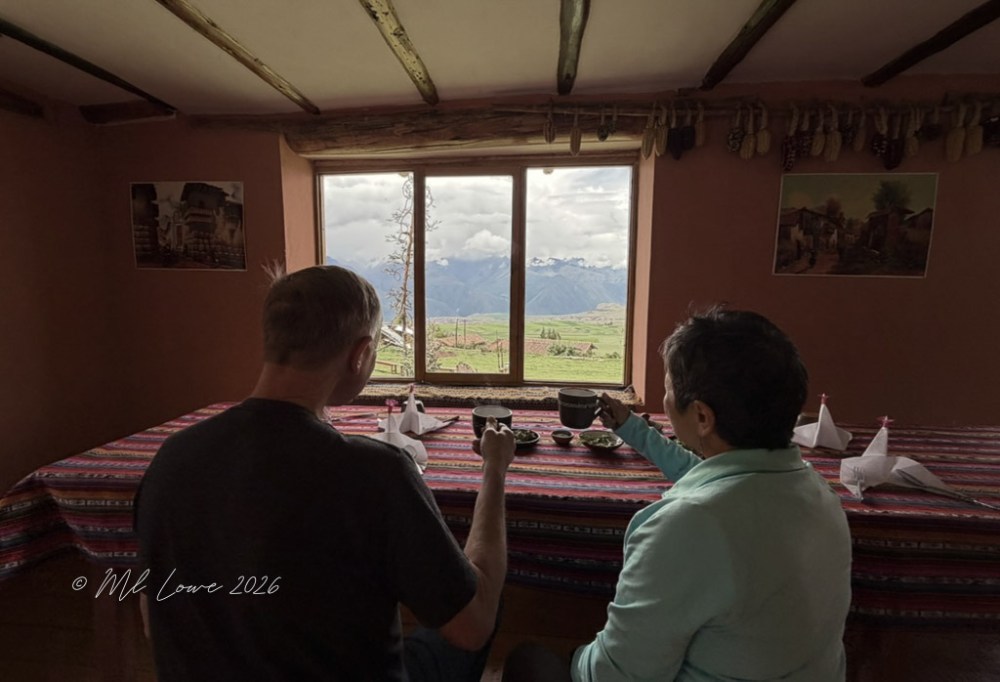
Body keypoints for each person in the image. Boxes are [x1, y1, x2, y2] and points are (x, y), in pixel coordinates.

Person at [134, 265, 515, 681]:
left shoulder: (171, 460)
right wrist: (494, 470)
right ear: (360, 355)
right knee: (485, 592)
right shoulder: (375, 474)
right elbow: (472, 624)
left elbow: (155, 621)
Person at [504, 308, 852, 682]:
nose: (665, 402)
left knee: (529, 661)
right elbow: (705, 476)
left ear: (702, 417)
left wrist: (582, 658)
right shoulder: (817, 492)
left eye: (668, 390)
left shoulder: (690, 526)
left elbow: (614, 677)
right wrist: (631, 427)